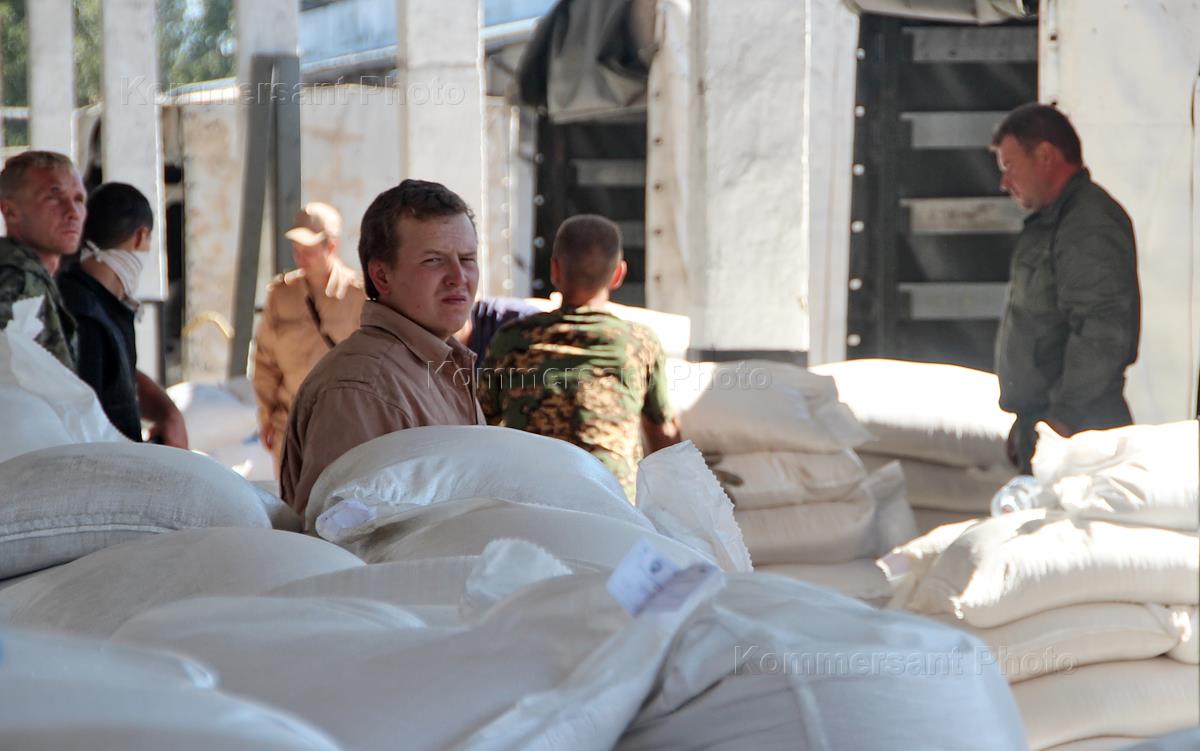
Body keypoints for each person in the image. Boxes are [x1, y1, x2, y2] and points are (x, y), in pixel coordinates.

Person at [280, 180, 484, 515]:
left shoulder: (438, 362)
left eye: (467, 258)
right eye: (434, 260)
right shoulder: (362, 390)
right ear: (381, 276)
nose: (458, 277)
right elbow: (339, 534)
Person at [478, 214, 679, 500]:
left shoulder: (511, 339)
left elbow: (480, 423)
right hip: (613, 504)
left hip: (531, 502)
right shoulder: (640, 343)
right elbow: (663, 436)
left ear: (554, 269)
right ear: (619, 274)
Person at [991, 103, 1140, 473]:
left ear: (1045, 155)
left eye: (1010, 166)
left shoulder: (1088, 223)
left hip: (1080, 437)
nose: (1004, 183)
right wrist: (1027, 425)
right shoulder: (1054, 222)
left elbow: (1104, 331)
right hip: (1053, 429)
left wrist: (1063, 420)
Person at [55, 182, 188, 446]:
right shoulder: (86, 317)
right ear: (140, 236)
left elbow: (117, 375)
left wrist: (168, 413)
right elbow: (88, 424)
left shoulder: (95, 302)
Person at [251, 202, 365, 474]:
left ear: (331, 247)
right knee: (292, 499)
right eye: (297, 248)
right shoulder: (280, 294)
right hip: (290, 424)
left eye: (309, 249)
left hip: (343, 426)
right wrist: (266, 415)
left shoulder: (358, 296)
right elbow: (265, 360)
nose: (301, 256)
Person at [0, 151, 85, 369]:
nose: (73, 212)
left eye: (79, 199)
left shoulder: (36, 276)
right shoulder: (18, 279)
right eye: (53, 197)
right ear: (10, 211)